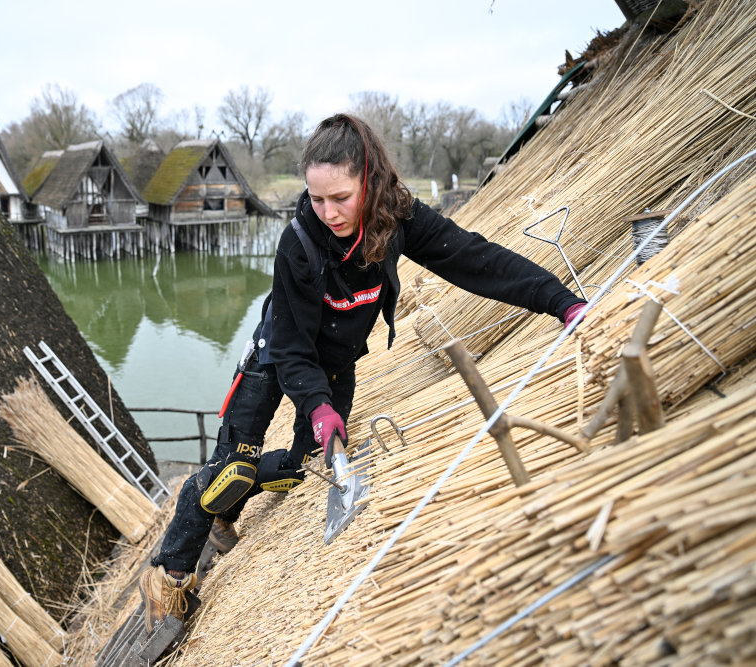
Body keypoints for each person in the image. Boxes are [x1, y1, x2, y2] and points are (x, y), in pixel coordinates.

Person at [138, 114, 588, 635]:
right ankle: (171, 571)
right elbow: (288, 348)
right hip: (275, 356)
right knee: (228, 470)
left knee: (302, 469)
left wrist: (558, 301)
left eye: (341, 198)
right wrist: (318, 404)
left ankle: (226, 514)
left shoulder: (399, 218)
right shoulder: (299, 243)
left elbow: (473, 259)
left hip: (335, 364)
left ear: (369, 181)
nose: (327, 212)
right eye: (316, 198)